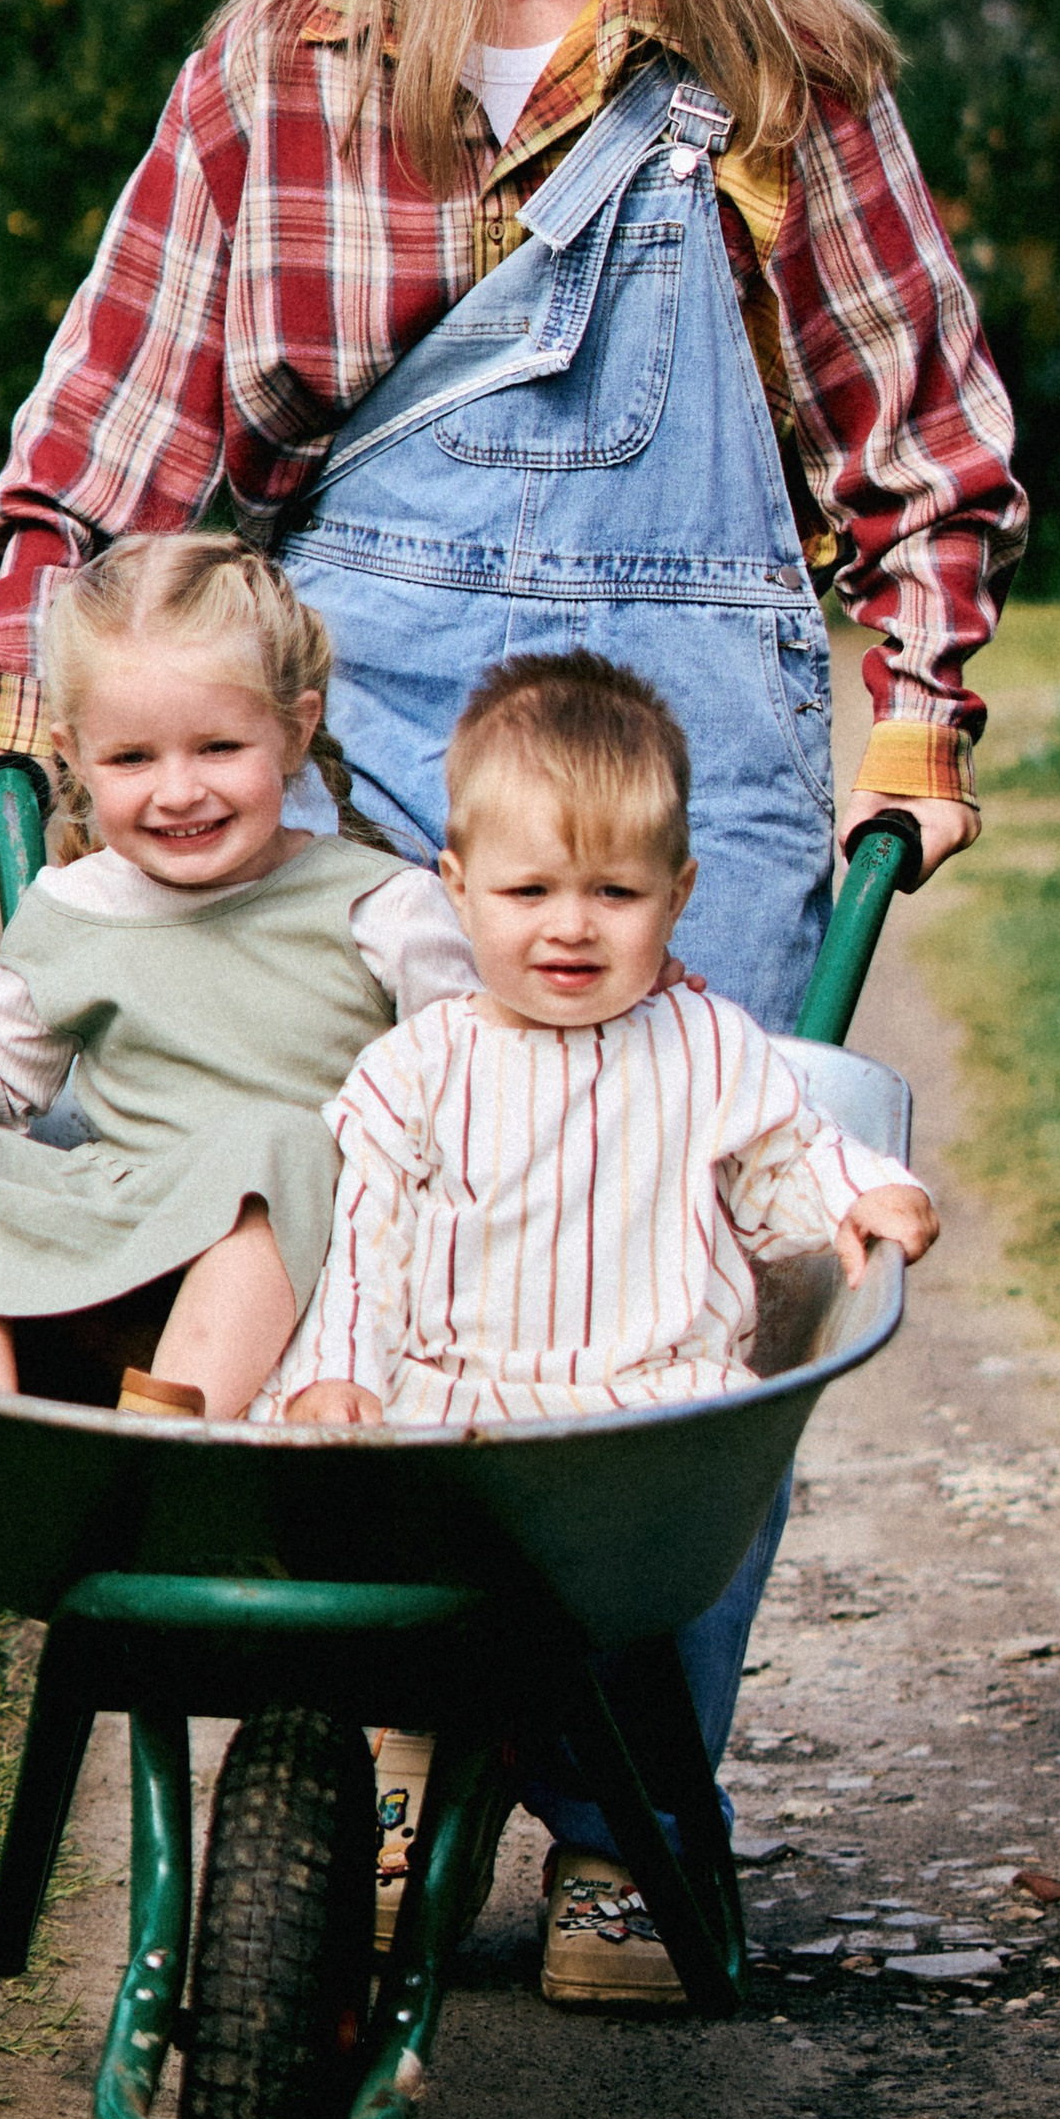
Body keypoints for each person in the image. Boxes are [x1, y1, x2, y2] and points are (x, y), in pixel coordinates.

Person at [0, 0, 1025, 1989]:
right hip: (368, 714)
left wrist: (912, 714)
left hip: (684, 756)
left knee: (672, 1268)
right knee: (341, 1209)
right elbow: (121, 419)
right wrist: (22, 668)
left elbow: (923, 445)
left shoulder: (780, 69)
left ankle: (621, 1801)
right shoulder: (285, 59)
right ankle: (383, 1703)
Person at [273, 653, 937, 2006]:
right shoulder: (416, 1070)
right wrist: (335, 1378)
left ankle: (620, 1854)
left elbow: (788, 1160)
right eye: (525, 893)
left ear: (680, 895)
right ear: (456, 891)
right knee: (403, 1598)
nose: (569, 929)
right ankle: (409, 1788)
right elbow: (366, 1252)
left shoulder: (708, 1049)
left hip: (642, 1430)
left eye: (615, 894)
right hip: (449, 1420)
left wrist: (870, 1191)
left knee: (619, 1641)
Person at [0, 535, 472, 1420]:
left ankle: (173, 1422)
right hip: (125, 1209)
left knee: (281, 1140)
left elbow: (471, 1081)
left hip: (295, 1234)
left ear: (295, 732)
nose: (178, 791)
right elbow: (4, 1070)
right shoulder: (76, 908)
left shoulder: (380, 908)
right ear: (73, 755)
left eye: (219, 747)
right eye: (132, 760)